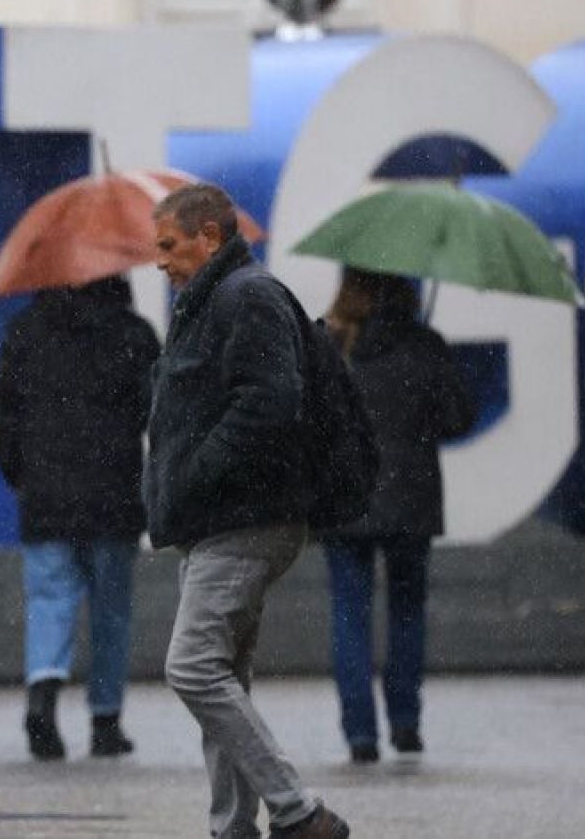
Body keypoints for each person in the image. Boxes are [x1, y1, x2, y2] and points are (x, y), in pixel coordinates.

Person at [145, 184, 351, 839]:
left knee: (192, 666)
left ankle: (298, 811)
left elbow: (269, 402)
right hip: (220, 519)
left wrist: (195, 476)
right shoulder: (214, 300)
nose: (160, 261)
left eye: (170, 245)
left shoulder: (246, 296)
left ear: (209, 236)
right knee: (222, 672)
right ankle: (233, 826)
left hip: (244, 518)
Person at [0, 276, 159, 761]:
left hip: (46, 496)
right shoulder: (133, 334)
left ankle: (42, 696)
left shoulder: (25, 331)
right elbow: (155, 411)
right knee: (111, 609)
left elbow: (4, 417)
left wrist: (23, 475)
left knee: (49, 599)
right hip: (113, 493)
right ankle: (106, 721)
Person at [318, 268, 476, 763]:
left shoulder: (331, 343)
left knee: (349, 615)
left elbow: (311, 420)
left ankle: (359, 734)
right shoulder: (424, 344)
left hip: (346, 499)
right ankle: (406, 722)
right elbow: (458, 419)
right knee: (407, 611)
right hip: (411, 499)